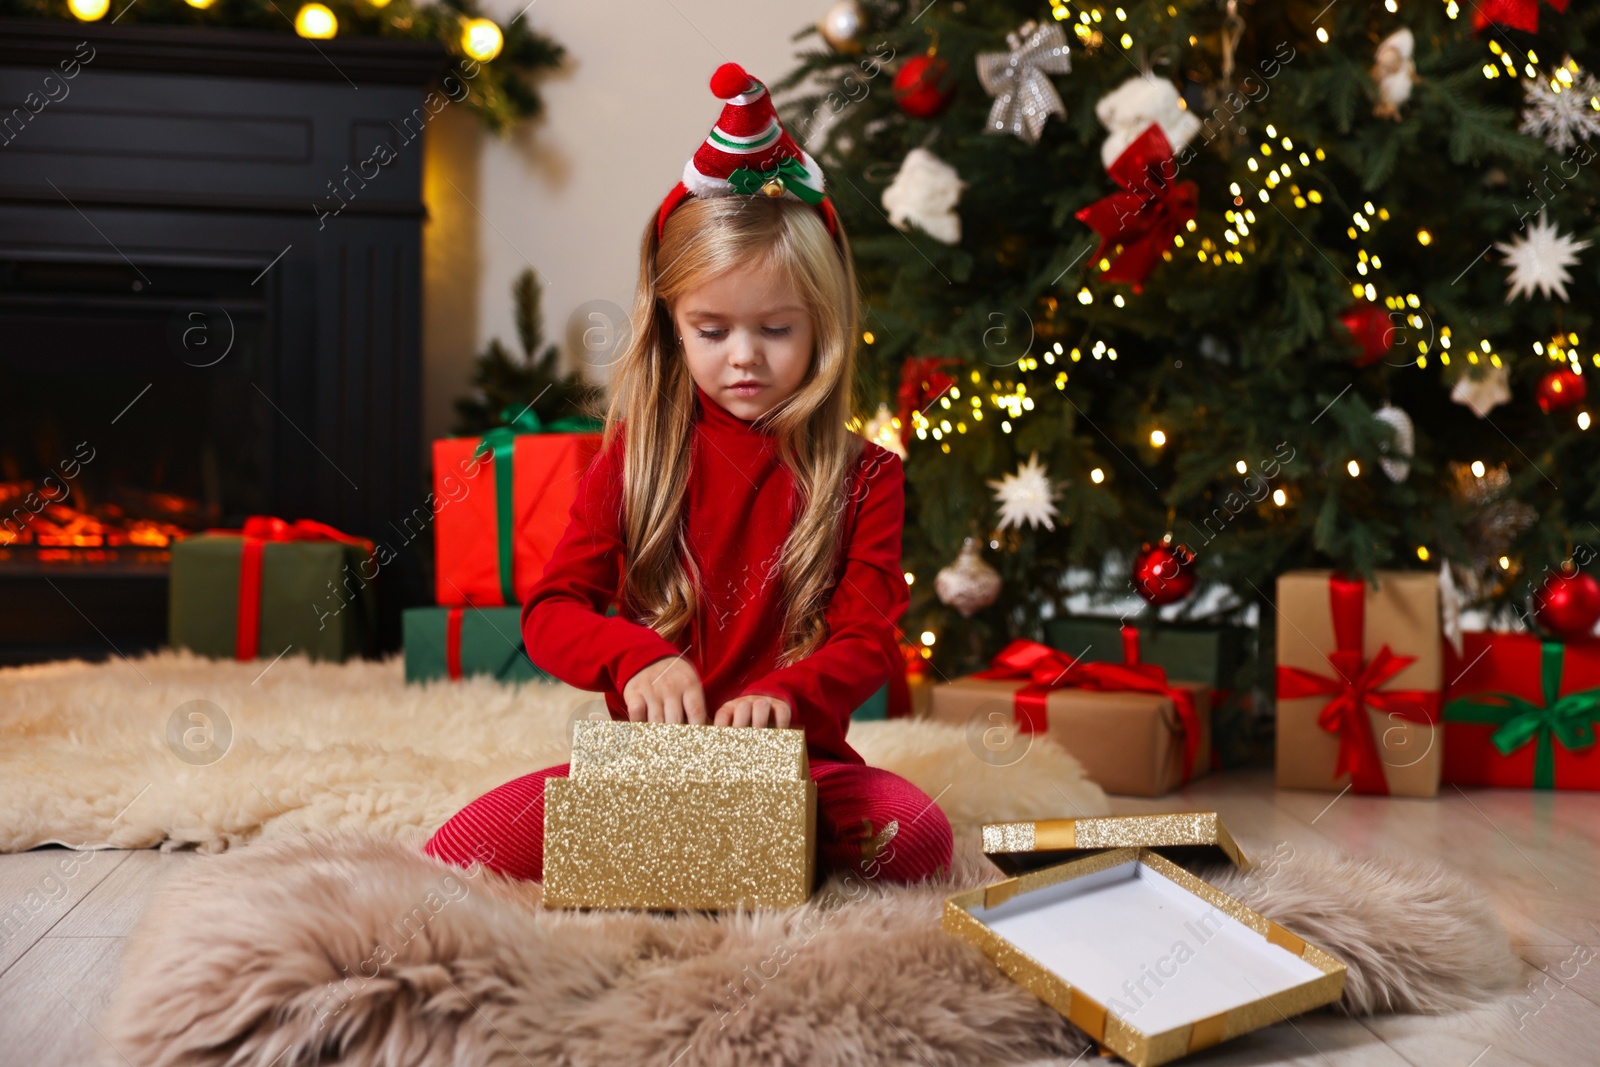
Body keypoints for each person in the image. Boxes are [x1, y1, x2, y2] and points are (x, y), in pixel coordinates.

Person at [423, 62, 953, 888]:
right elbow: (551, 612)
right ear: (672, 327)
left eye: (776, 328)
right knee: (461, 849)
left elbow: (866, 639)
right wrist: (634, 659)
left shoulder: (868, 476)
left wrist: (788, 693)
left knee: (918, 836)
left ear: (826, 326)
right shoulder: (635, 458)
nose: (743, 356)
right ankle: (697, 855)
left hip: (801, 773)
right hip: (645, 772)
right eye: (712, 329)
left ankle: (716, 859)